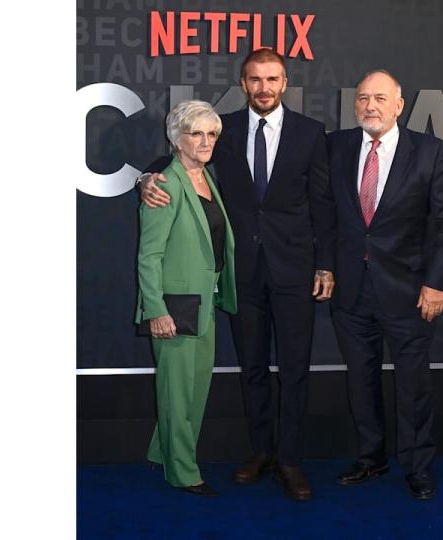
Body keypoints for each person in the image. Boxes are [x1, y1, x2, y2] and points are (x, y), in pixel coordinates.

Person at [138, 48, 336, 502]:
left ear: (284, 83)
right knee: (252, 369)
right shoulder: (220, 131)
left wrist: (325, 263)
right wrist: (144, 180)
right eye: (254, 79)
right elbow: (176, 159)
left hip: (294, 272)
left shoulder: (310, 133)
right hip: (240, 275)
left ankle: (289, 459)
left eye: (272, 79)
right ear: (243, 83)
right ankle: (261, 451)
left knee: (294, 369)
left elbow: (324, 205)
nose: (263, 87)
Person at [327, 70, 443, 500]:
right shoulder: (335, 146)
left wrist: (437, 283)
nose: (371, 106)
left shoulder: (430, 151)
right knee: (360, 379)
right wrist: (150, 178)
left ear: (399, 106)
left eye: (381, 99)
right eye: (364, 98)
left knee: (412, 383)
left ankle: (417, 466)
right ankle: (371, 457)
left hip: (410, 293)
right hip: (351, 291)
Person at [136, 100, 237, 497]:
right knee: (177, 392)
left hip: (206, 302)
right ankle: (182, 471)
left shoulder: (206, 177)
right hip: (174, 307)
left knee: (194, 389)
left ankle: (163, 452)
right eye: (196, 133)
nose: (205, 141)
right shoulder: (163, 183)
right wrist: (155, 310)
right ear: (176, 139)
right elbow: (149, 255)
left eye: (211, 134)